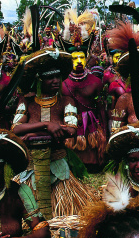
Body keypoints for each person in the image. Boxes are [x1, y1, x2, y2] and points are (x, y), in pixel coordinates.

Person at [12, 47, 98, 218]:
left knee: (68, 213)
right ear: (39, 80)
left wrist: (33, 134)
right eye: (49, 77)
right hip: (31, 166)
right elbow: (15, 129)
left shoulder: (66, 101)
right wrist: (47, 125)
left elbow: (71, 130)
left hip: (57, 163)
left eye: (57, 77)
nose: (55, 81)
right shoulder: (28, 101)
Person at [58, 9, 107, 172]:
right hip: (68, 125)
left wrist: (105, 133)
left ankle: (93, 163)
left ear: (86, 57)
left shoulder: (95, 82)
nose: (78, 61)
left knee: (91, 163)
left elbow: (101, 108)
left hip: (91, 126)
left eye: (81, 57)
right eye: (74, 58)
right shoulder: (61, 83)